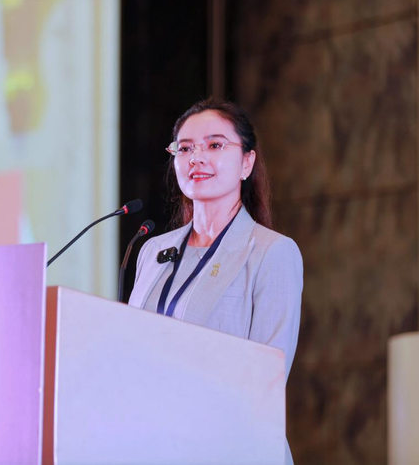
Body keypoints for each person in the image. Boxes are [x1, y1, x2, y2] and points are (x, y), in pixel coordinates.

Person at [128, 99, 303, 463]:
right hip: (156, 447)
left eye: (214, 145)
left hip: (234, 450)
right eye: (185, 148)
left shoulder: (271, 252)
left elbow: (266, 380)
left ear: (247, 162)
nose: (197, 158)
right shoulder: (153, 250)